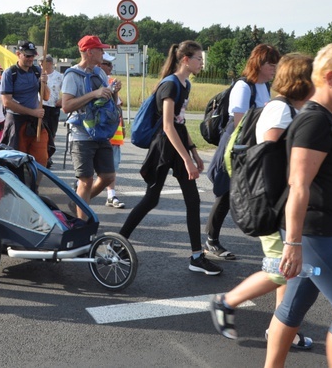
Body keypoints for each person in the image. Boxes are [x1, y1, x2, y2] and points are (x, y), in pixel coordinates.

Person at [264, 43, 332, 368]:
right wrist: (293, 243)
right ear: (329, 76)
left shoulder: (329, 117)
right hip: (315, 232)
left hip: (320, 230)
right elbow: (299, 184)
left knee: (294, 305)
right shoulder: (314, 121)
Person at [210, 53, 315, 348]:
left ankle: (282, 329)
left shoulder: (290, 109)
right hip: (272, 204)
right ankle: (226, 301)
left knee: (287, 270)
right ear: (301, 81)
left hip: (280, 201)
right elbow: (267, 160)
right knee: (282, 270)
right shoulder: (280, 112)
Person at [119, 41, 222, 276]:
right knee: (151, 199)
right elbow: (167, 126)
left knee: (193, 200)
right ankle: (118, 242)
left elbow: (180, 122)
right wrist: (186, 159)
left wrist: (194, 151)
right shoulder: (170, 85)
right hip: (163, 149)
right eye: (198, 58)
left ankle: (197, 256)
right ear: (185, 59)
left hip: (176, 146)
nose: (201, 63)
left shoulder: (185, 84)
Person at [205, 44, 279, 260]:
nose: (274, 68)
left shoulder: (264, 86)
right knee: (225, 194)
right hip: (237, 146)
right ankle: (211, 241)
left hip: (251, 146)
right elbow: (239, 123)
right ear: (259, 64)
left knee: (241, 193)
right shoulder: (244, 86)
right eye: (270, 63)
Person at [62, 36, 121, 217]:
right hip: (80, 135)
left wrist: (114, 92)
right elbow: (66, 106)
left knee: (108, 177)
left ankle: (78, 202)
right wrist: (94, 94)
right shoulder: (72, 75)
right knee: (86, 181)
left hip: (100, 133)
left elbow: (109, 102)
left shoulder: (100, 73)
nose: (103, 53)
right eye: (100, 49)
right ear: (89, 52)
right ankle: (82, 223)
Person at [1, 40, 50, 166]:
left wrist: (44, 83)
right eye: (27, 55)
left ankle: (34, 186)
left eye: (32, 56)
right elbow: (7, 102)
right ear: (18, 54)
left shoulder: (37, 71)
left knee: (41, 160)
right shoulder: (10, 73)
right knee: (16, 161)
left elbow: (46, 97)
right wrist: (32, 112)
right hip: (16, 121)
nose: (30, 59)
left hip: (35, 121)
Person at [101, 52, 125, 208]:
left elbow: (117, 106)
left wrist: (122, 128)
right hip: (99, 133)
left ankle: (111, 195)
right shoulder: (93, 81)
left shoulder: (111, 81)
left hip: (113, 134)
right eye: (108, 64)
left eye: (111, 64)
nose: (111, 67)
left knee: (111, 167)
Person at [42, 55, 64, 168]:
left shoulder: (59, 76)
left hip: (54, 107)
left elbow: (66, 91)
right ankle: (43, 155)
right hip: (42, 106)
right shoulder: (40, 75)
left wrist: (62, 99)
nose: (41, 64)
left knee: (52, 132)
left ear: (49, 63)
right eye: (40, 62)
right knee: (43, 132)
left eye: (43, 62)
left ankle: (49, 154)